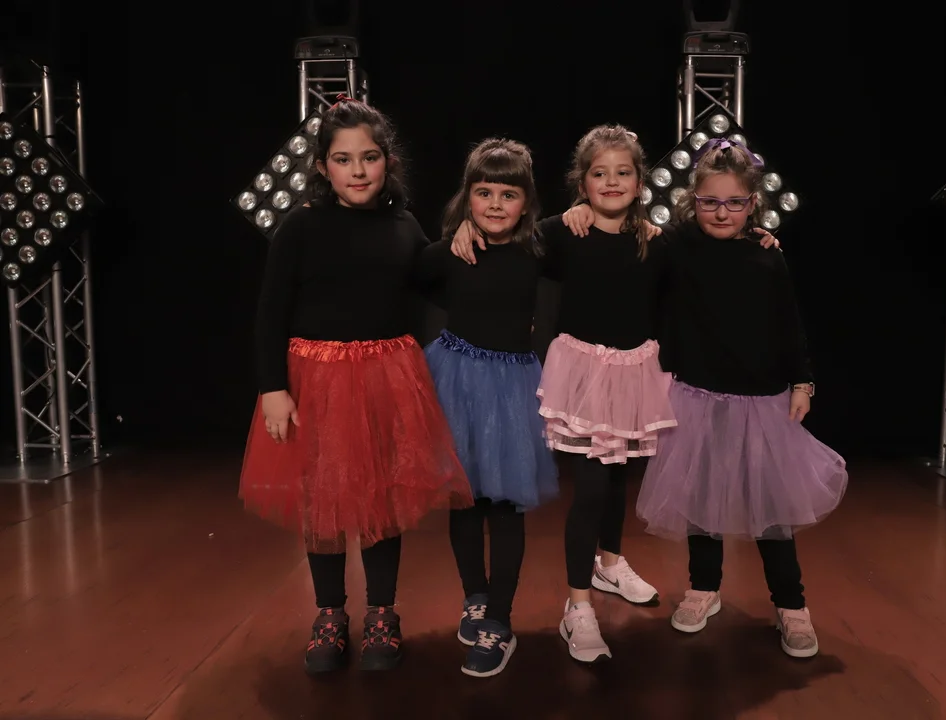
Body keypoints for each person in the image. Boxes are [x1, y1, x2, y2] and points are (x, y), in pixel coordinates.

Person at [565, 137, 846, 658]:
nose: (722, 212)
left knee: (771, 510)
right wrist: (581, 210)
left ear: (753, 203)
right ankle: (703, 588)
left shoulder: (766, 256)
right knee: (701, 500)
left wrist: (802, 381)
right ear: (691, 200)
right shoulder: (674, 246)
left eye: (735, 202)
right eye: (710, 201)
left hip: (761, 399)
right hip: (695, 394)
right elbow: (623, 236)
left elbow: (789, 324)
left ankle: (791, 605)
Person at [238, 97, 473, 675]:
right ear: (323, 167)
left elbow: (435, 281)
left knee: (380, 500)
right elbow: (269, 312)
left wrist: (471, 237)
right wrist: (273, 388)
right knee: (322, 499)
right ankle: (329, 613)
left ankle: (382, 612)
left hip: (386, 379)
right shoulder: (300, 227)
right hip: (315, 379)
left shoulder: (403, 225)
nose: (358, 170)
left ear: (388, 161)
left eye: (369, 157)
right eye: (343, 160)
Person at [452, 125, 669, 663]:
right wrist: (464, 225)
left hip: (634, 373)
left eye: (623, 172)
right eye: (599, 173)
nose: (611, 182)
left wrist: (759, 235)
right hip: (584, 376)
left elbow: (705, 262)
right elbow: (508, 233)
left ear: (640, 181)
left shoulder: (655, 239)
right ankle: (578, 606)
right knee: (591, 488)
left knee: (617, 480)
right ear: (582, 182)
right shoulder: (564, 231)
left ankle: (611, 563)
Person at [417, 138, 560, 677]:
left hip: (512, 388)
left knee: (504, 506)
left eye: (508, 194)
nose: (496, 204)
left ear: (527, 202)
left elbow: (597, 236)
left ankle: (499, 619)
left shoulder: (539, 248)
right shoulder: (449, 252)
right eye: (484, 193)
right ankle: (474, 596)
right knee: (464, 500)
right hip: (455, 380)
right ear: (467, 196)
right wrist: (454, 233)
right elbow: (406, 276)